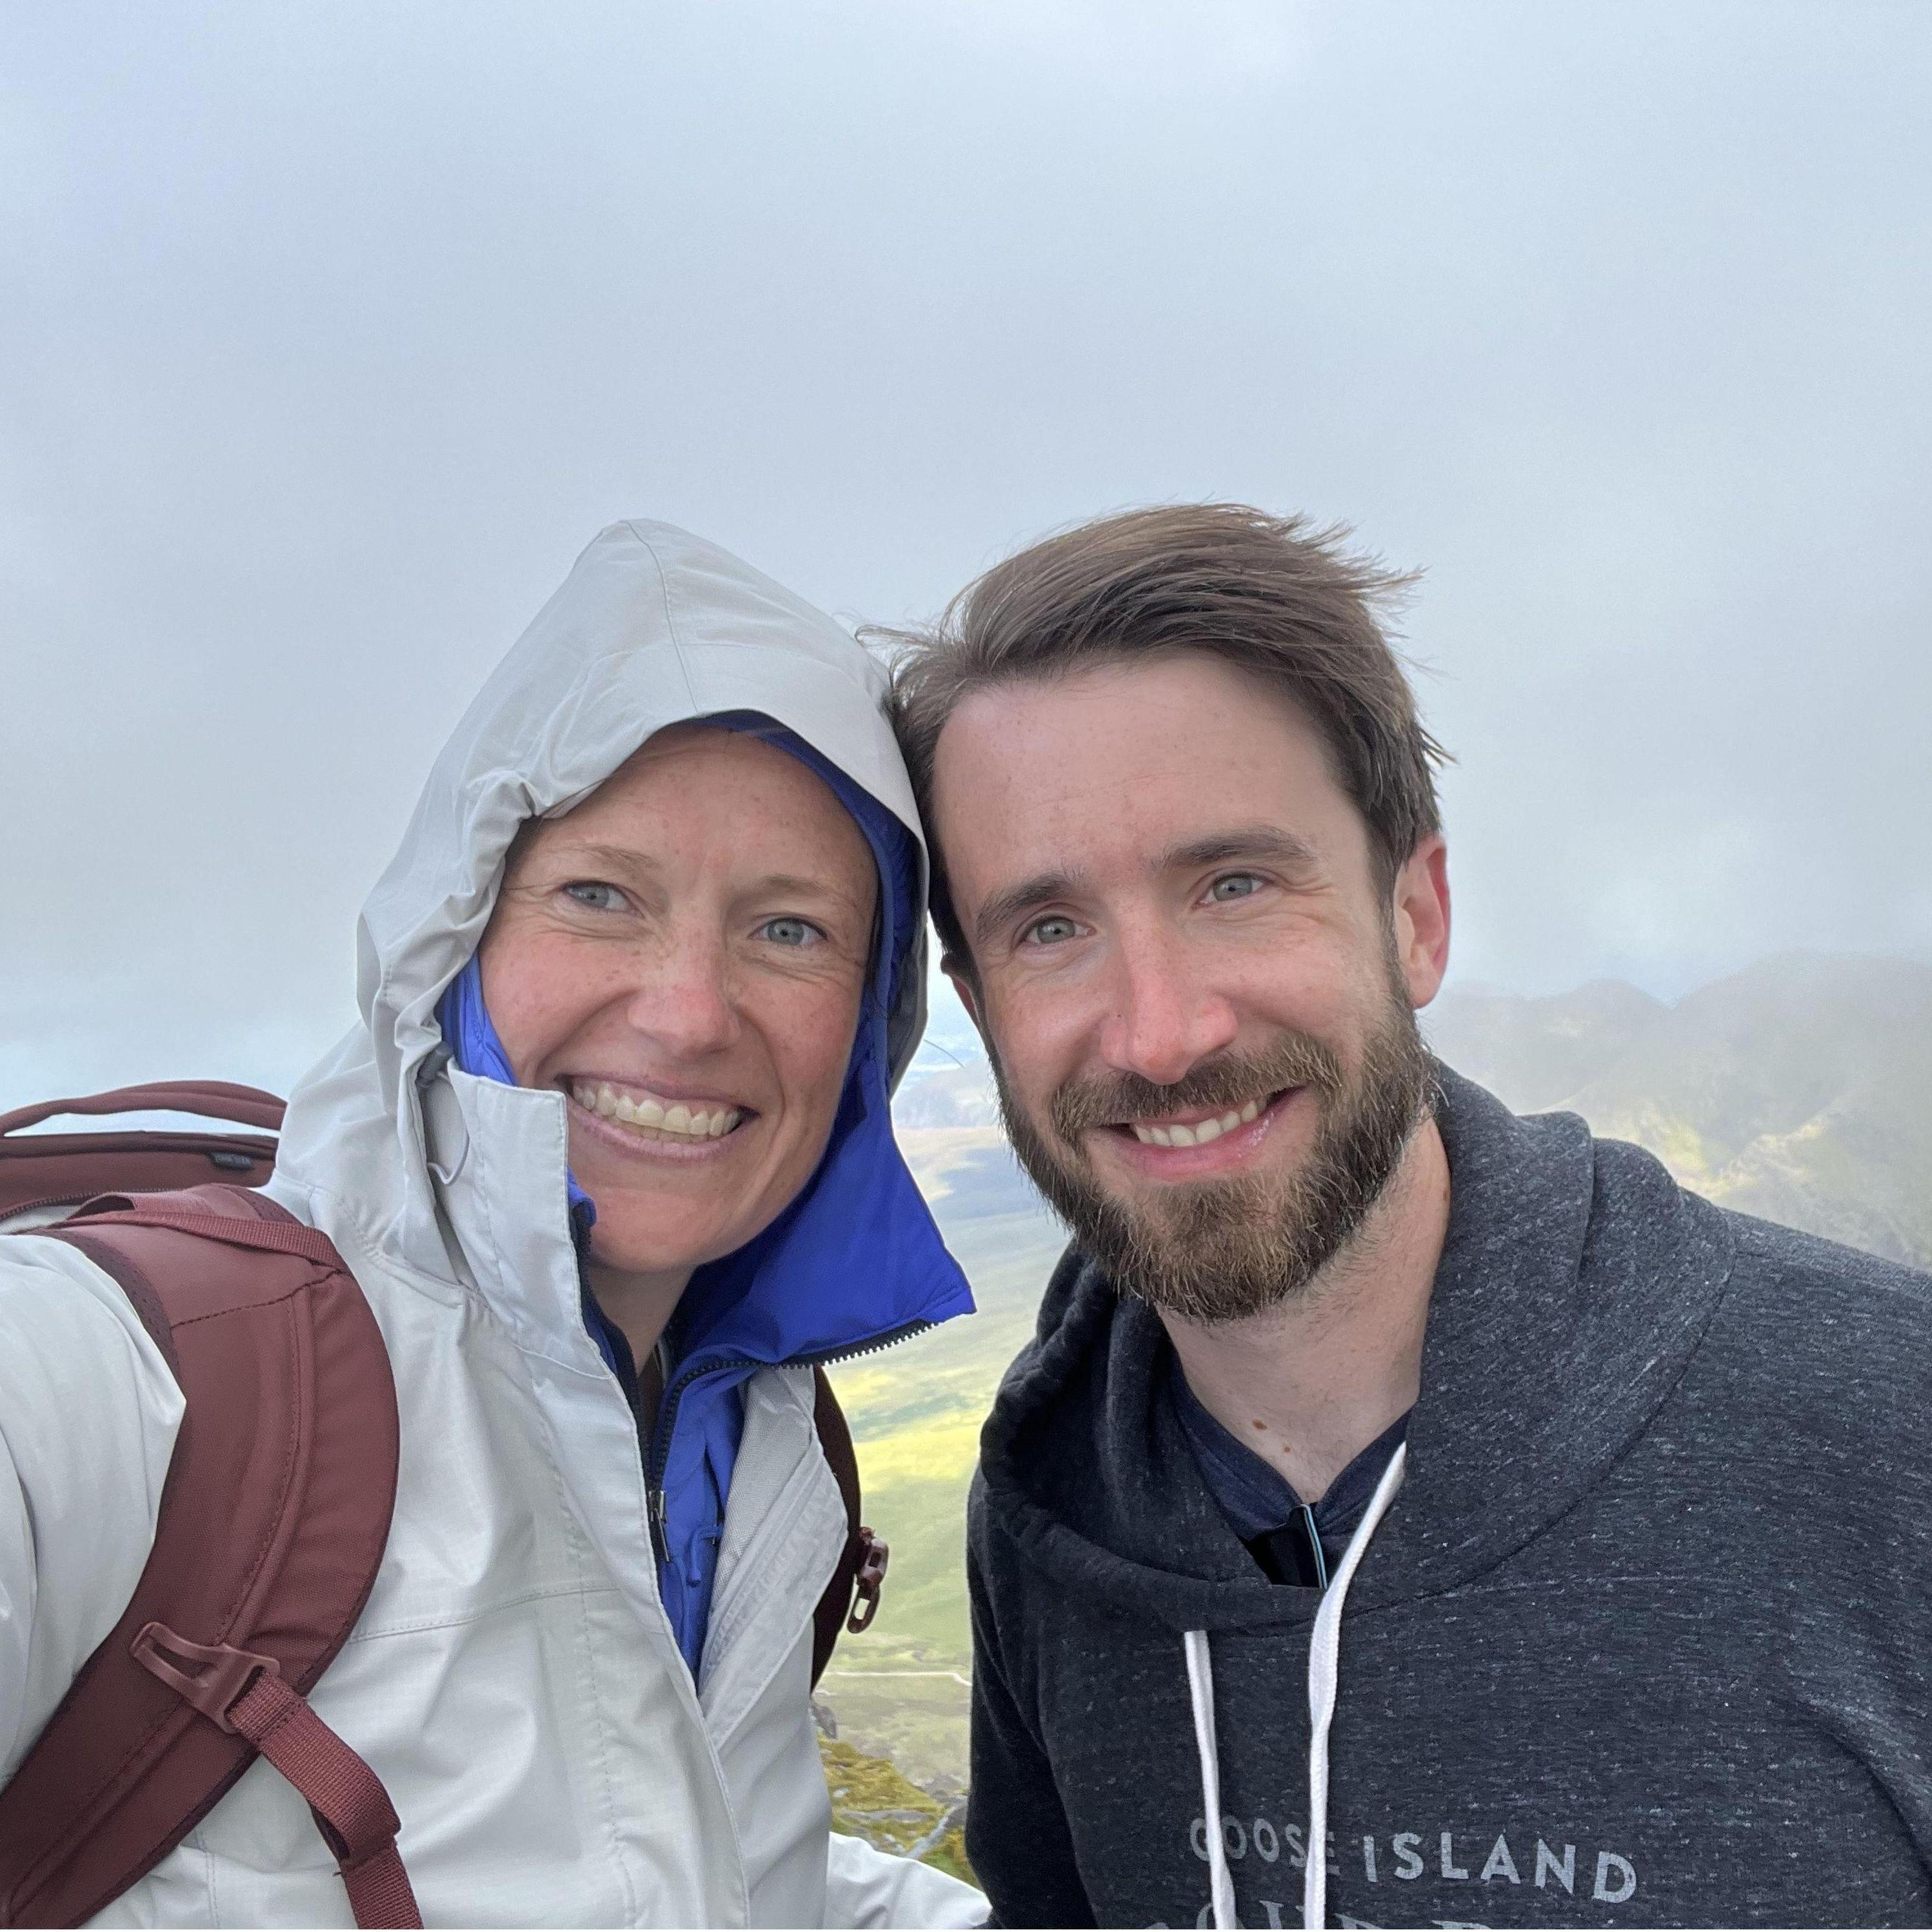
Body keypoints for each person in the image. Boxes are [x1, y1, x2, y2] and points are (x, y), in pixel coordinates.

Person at [886, 503, 1932, 1930]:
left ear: (1417, 916)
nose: (1161, 1033)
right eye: (1049, 927)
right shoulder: (1049, 1514)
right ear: (977, 1007)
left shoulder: (1888, 1432)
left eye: (1235, 883)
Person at [0, 521, 985, 1927]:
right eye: (600, 895)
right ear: (452, 939)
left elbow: (674, 1848)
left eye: (789, 929)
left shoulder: (761, 1434)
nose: (690, 1011)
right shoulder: (145, 1380)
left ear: (872, 1021)